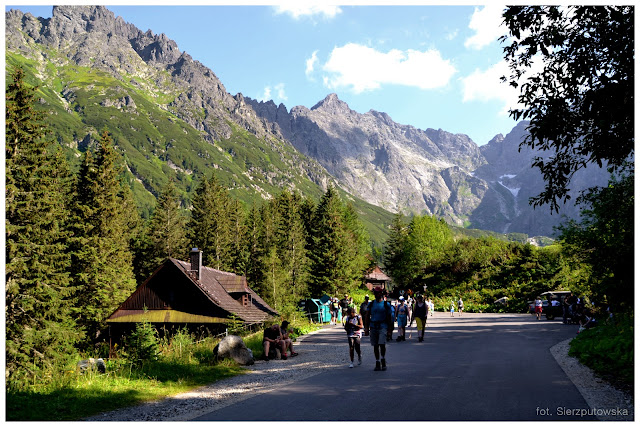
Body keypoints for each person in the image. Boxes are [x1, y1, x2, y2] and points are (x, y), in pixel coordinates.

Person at [366, 287, 390, 371]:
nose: (376, 295)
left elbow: (389, 317)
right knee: (375, 345)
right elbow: (367, 315)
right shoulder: (371, 304)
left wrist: (390, 330)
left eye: (378, 293)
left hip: (383, 326)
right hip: (373, 326)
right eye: (375, 293)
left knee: (382, 344)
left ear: (381, 294)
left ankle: (383, 359)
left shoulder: (386, 304)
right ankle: (377, 361)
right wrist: (366, 328)